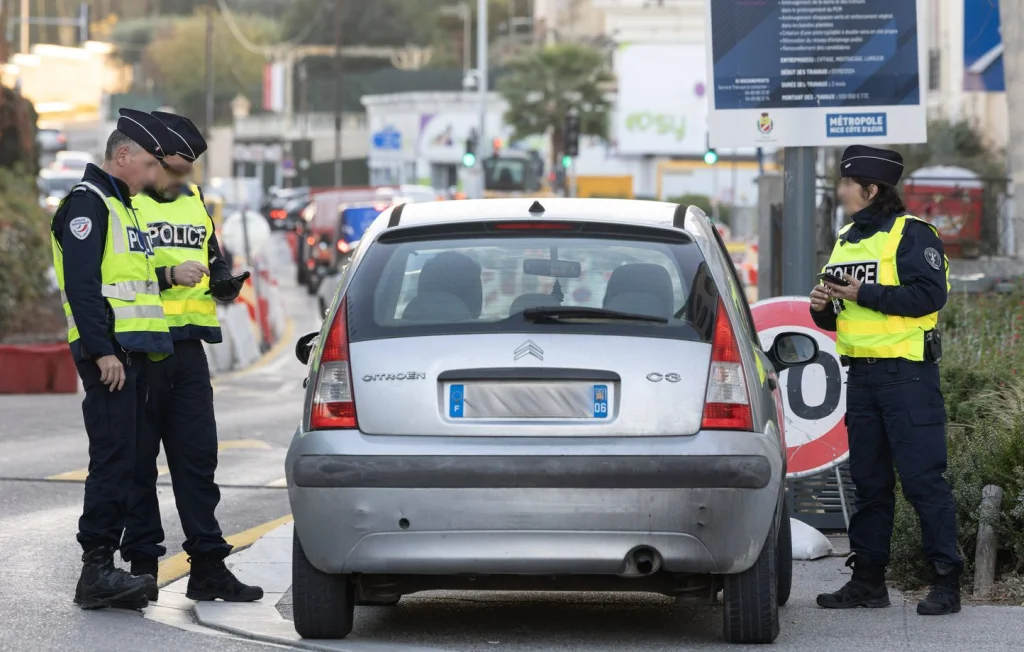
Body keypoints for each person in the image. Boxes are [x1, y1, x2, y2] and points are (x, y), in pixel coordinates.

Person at [811, 145, 960, 616]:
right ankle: (868, 582)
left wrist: (864, 292)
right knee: (869, 484)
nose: (840, 191)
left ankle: (946, 583)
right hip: (863, 379)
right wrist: (823, 308)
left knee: (922, 482)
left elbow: (929, 296)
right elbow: (845, 317)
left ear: (871, 190)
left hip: (908, 377)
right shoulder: (847, 238)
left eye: (846, 184)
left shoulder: (912, 234)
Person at [119, 110, 262, 603]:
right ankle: (141, 568)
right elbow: (111, 277)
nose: (183, 177)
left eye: (188, 169)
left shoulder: (194, 200)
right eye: (177, 166)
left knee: (198, 462)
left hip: (188, 350)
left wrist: (223, 281)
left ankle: (208, 567)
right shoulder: (126, 203)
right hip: (139, 349)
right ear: (155, 159)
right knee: (139, 465)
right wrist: (164, 279)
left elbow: (212, 254)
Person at [50, 108, 177, 610]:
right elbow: (82, 287)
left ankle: (112, 569)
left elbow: (128, 284)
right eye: (147, 163)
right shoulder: (89, 204)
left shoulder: (121, 205)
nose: (153, 174)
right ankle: (96, 570)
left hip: (131, 354)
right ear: (122, 155)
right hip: (110, 357)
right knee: (112, 460)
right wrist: (103, 351)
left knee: (126, 460)